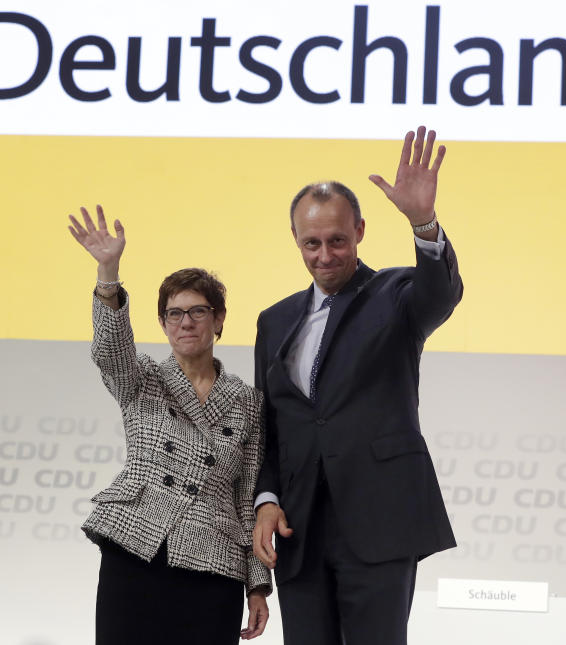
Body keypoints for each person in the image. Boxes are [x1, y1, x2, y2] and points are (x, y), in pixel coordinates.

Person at [251, 126, 462, 645]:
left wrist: (422, 221)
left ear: (361, 230)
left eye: (337, 240)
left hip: (378, 519)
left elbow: (442, 292)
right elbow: (270, 427)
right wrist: (266, 497)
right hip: (298, 530)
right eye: (312, 243)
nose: (325, 255)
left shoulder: (396, 293)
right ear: (296, 241)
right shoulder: (274, 321)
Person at [67, 205, 271, 644]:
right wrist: (108, 274)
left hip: (214, 560)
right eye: (174, 313)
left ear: (218, 319)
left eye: (198, 311)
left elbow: (248, 494)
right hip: (137, 547)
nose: (185, 322)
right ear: (161, 323)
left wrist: (257, 585)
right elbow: (109, 353)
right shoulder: (142, 378)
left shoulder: (248, 402)